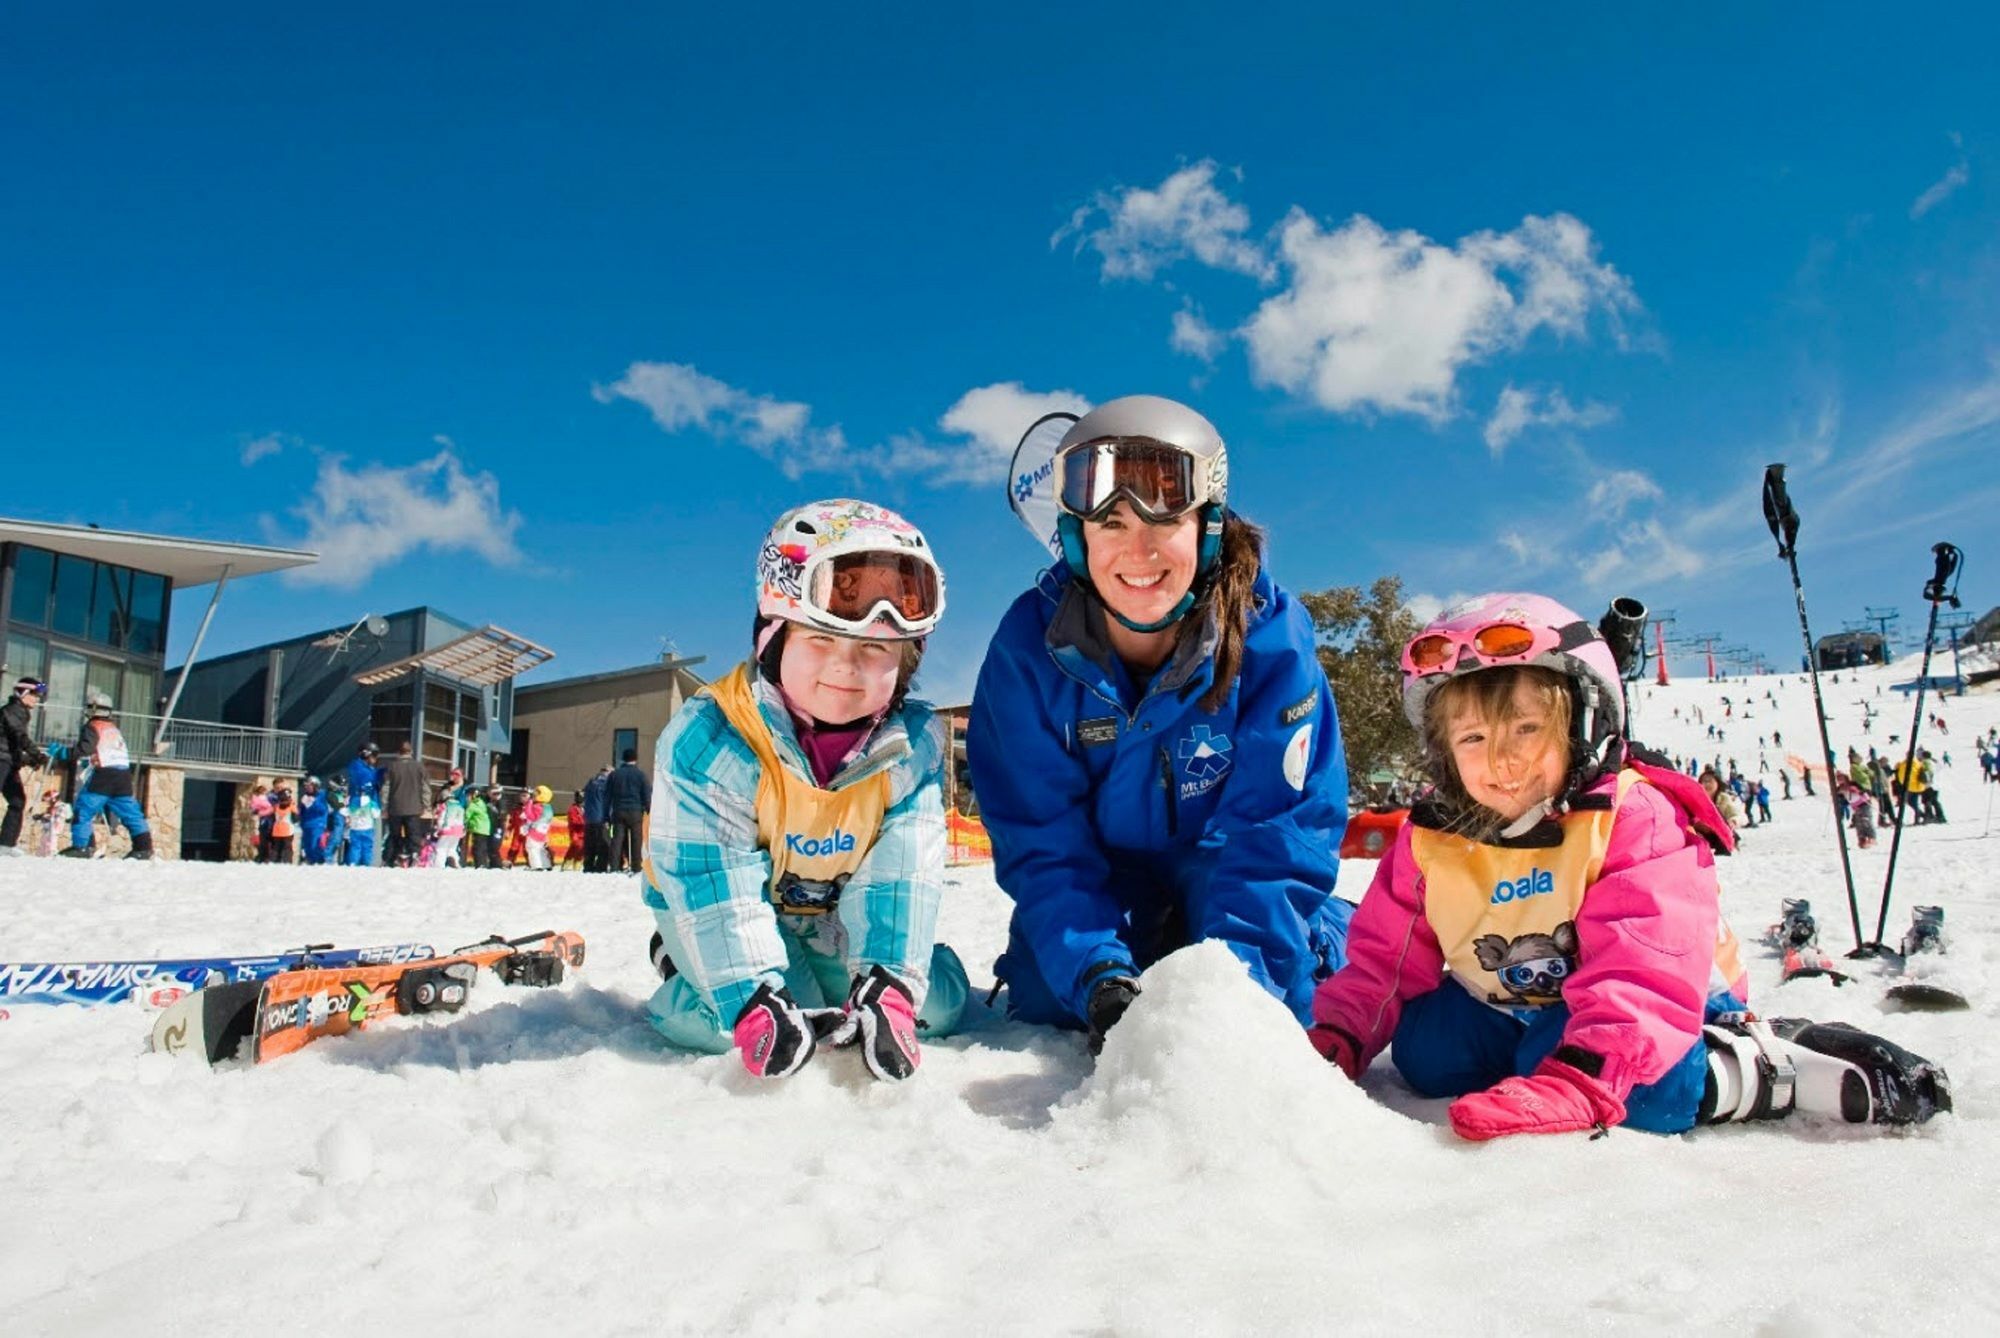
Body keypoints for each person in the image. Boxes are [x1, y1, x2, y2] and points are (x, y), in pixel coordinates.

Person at [1307, 593, 1949, 1138]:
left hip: (1657, 1000)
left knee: (1643, 1091)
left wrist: (1582, 1078)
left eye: (1525, 730)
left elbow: (1640, 971)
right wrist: (1339, 1036)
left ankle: (1745, 1066)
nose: (1500, 761)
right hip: (1517, 1000)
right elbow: (1383, 964)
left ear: (1584, 725)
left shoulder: (1632, 817)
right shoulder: (1432, 838)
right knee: (1429, 1055)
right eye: (1474, 739)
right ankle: (1550, 1058)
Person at [969, 396, 1352, 1050]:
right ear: (1075, 537)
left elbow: (1277, 833)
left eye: (1165, 517)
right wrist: (1097, 973)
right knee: (1046, 994)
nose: (1138, 548)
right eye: (1110, 522)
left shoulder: (1271, 641)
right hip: (1109, 875)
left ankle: (1324, 931)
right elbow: (1043, 842)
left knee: (1293, 995)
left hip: (1223, 862)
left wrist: (1236, 986)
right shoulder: (1026, 651)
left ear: (1207, 526)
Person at [642, 498, 968, 1082]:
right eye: (820, 640)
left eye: (875, 649)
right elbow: (709, 875)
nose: (846, 668)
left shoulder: (912, 748)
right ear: (773, 639)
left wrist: (890, 987)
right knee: (733, 1023)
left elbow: (902, 873)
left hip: (828, 913)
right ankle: (680, 969)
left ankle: (891, 978)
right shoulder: (714, 738)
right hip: (721, 903)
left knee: (933, 1011)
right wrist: (752, 998)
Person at [62, 691, 154, 859]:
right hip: (123, 775)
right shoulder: (113, 728)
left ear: (94, 709)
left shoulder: (92, 726)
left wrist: (65, 752)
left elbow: (85, 749)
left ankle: (83, 846)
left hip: (104, 774)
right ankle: (144, 848)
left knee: (84, 809)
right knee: (131, 812)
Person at [0, 677, 50, 855]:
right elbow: (19, 736)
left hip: (8, 760)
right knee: (17, 800)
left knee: (17, 800)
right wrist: (36, 754)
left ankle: (5, 844)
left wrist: (30, 760)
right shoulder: (13, 710)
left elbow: (12, 744)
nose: (37, 699)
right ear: (23, 693)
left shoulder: (20, 712)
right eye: (34, 695)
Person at [380, 741, 430, 867]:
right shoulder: (419, 767)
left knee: (394, 834)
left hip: (395, 807)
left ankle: (390, 858)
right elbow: (425, 788)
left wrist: (384, 806)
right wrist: (426, 805)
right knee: (413, 834)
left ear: (398, 753)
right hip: (414, 807)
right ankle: (414, 855)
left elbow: (386, 788)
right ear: (411, 752)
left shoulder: (392, 766)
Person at [607, 748, 649, 872]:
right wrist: (649, 809)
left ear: (623, 759)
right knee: (637, 840)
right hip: (636, 811)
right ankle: (636, 866)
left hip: (618, 810)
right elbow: (646, 795)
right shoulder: (641, 775)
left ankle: (614, 866)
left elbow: (607, 796)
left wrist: (606, 815)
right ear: (635, 759)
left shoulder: (614, 775)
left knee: (617, 840)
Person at [581, 764, 612, 872]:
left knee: (589, 844)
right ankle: (600, 867)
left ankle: (588, 866)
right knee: (603, 845)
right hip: (601, 818)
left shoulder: (590, 783)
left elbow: (583, 796)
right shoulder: (607, 784)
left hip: (589, 819)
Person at [297, 777, 330, 865]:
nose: (307, 788)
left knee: (315, 844)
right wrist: (300, 819)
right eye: (306, 786)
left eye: (309, 786)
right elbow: (302, 811)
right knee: (307, 845)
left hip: (317, 824)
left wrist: (313, 802)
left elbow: (323, 810)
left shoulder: (322, 795)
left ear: (316, 786)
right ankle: (310, 862)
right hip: (306, 825)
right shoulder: (305, 796)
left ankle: (319, 862)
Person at [344, 788, 380, 867]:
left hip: (355, 829)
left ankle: (353, 862)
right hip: (368, 829)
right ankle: (366, 864)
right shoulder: (371, 803)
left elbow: (345, 812)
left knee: (355, 847)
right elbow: (376, 815)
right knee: (367, 848)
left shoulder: (352, 802)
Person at [523, 784, 554, 870]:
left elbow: (530, 816)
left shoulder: (537, 807)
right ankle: (546, 864)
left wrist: (529, 803)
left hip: (535, 831)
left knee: (532, 848)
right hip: (543, 832)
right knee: (541, 849)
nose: (534, 794)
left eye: (537, 793)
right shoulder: (548, 807)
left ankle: (536, 865)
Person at [465, 786, 494, 869]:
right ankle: (484, 863)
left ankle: (479, 864)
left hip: (478, 829)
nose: (467, 798)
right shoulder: (481, 803)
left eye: (468, 796)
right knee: (483, 848)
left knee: (477, 848)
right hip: (485, 829)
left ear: (473, 796)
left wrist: (466, 823)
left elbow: (466, 816)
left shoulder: (472, 805)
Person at [563, 791, 586, 870]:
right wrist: (585, 822)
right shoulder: (572, 809)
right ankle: (570, 862)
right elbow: (574, 821)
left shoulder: (586, 808)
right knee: (578, 846)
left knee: (578, 848)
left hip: (584, 832)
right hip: (575, 832)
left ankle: (575, 863)